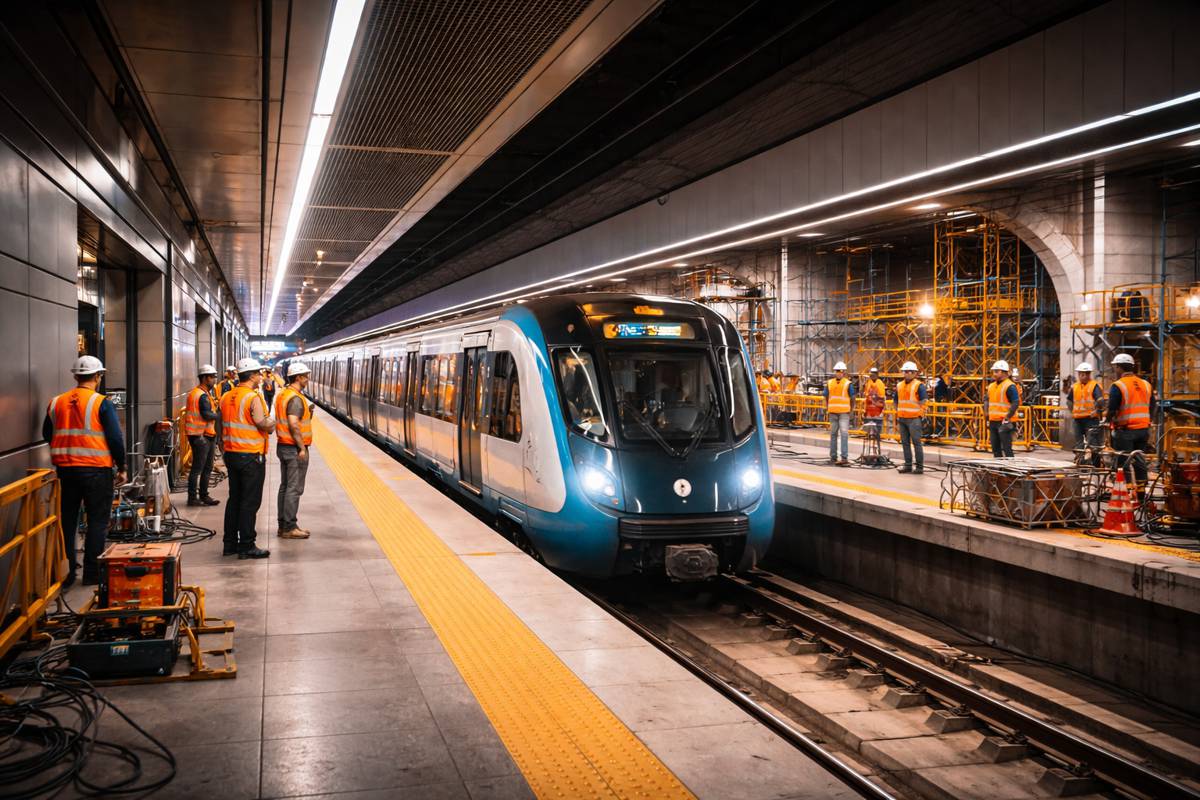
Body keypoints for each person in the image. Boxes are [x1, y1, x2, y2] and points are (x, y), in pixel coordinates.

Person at [43, 356, 127, 586]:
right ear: (98, 377)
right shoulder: (101, 403)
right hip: (96, 470)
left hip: (65, 471)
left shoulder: (56, 402)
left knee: (67, 521)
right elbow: (115, 438)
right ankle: (92, 573)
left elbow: (47, 434)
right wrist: (122, 466)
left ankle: (67, 574)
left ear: (76, 376)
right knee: (97, 521)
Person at [219, 357, 274, 559]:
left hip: (231, 454)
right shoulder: (252, 397)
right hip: (251, 456)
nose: (261, 376)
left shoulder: (227, 396)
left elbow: (218, 425)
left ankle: (229, 544)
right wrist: (273, 423)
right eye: (258, 373)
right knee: (250, 502)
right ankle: (247, 545)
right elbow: (261, 422)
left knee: (234, 499)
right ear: (251, 376)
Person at [1102, 353, 1154, 495]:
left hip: (1125, 430)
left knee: (1123, 462)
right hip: (1143, 429)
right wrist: (1148, 421)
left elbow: (1112, 408)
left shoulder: (1118, 385)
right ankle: (1141, 492)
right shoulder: (1146, 384)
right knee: (1139, 460)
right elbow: (1152, 406)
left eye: (1115, 367)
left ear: (1119, 367)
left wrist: (1106, 421)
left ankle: (1127, 491)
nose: (1115, 370)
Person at [275, 362, 314, 539]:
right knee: (294, 488)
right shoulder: (296, 398)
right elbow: (293, 423)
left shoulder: (284, 394)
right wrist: (301, 448)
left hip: (283, 445)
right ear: (298, 377)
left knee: (285, 487)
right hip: (293, 448)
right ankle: (289, 527)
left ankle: (283, 525)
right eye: (306, 376)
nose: (307, 379)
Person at [184, 364, 221, 506]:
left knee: (207, 467)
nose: (214, 380)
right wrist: (220, 415)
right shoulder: (201, 395)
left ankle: (204, 496)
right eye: (212, 377)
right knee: (198, 468)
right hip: (201, 436)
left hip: (204, 435)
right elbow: (206, 415)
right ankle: (193, 498)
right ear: (205, 378)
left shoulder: (199, 393)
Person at [1066, 362, 1104, 467]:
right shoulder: (1075, 387)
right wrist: (1073, 411)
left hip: (1091, 419)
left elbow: (1100, 400)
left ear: (1089, 374)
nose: (1083, 376)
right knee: (1079, 444)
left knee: (1093, 444)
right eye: (1081, 374)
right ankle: (1081, 464)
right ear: (1079, 374)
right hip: (1078, 419)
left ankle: (1096, 465)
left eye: (1086, 374)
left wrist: (1097, 411)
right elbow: (1069, 401)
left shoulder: (1094, 386)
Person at [895, 361, 927, 474]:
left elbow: (924, 401)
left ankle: (919, 467)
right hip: (902, 418)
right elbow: (896, 401)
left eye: (909, 372)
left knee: (916, 443)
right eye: (905, 371)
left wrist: (920, 413)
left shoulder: (919, 385)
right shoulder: (899, 385)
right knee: (905, 443)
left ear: (915, 373)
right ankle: (908, 465)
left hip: (914, 419)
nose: (907, 373)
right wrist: (898, 413)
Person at [984, 360, 1019, 458]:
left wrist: (1007, 417)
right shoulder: (991, 386)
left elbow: (1015, 403)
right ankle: (998, 466)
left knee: (1007, 449)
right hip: (993, 421)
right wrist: (986, 414)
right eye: (993, 371)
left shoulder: (1010, 386)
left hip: (1004, 422)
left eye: (996, 371)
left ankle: (1010, 467)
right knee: (995, 449)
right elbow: (986, 400)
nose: (994, 374)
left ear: (1004, 372)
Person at [823, 361, 855, 464]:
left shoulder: (847, 383)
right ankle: (833, 457)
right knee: (833, 434)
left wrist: (851, 410)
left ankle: (844, 458)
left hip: (844, 413)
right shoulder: (830, 383)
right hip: (833, 412)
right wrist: (827, 407)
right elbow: (826, 396)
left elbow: (853, 397)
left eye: (840, 371)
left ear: (844, 372)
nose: (838, 373)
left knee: (844, 434)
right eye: (837, 371)